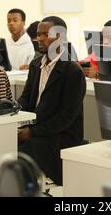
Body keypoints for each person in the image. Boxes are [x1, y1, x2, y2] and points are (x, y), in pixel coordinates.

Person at [17, 16, 86, 185]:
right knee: (4, 138)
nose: (39, 38)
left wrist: (32, 132)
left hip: (62, 135)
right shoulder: (35, 65)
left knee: (26, 148)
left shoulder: (72, 71)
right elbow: (26, 99)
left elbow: (66, 117)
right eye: (38, 34)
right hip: (39, 128)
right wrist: (12, 112)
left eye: (45, 34)